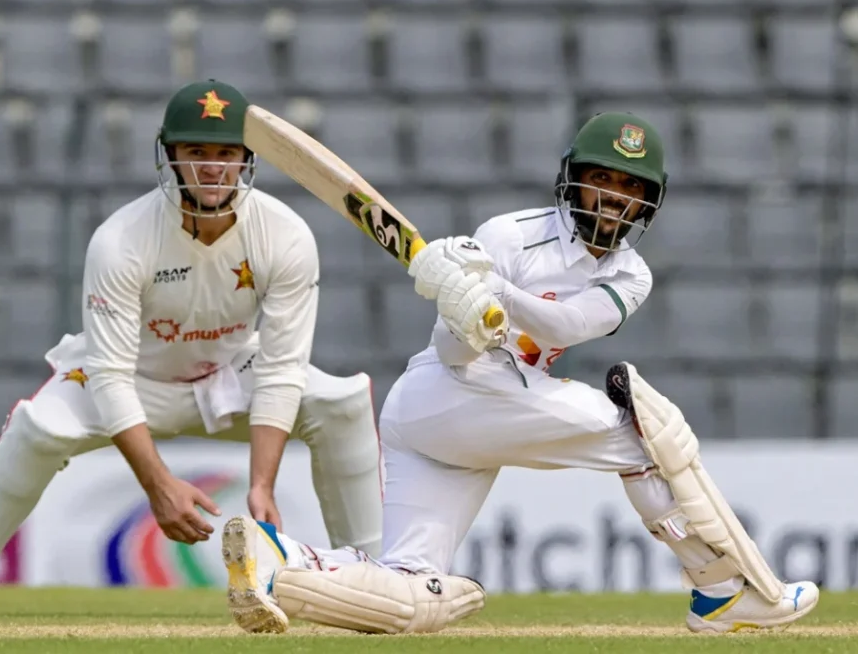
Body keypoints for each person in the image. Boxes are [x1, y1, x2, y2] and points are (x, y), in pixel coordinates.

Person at [218, 112, 820, 635]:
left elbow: (567, 326)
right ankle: (721, 591)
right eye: (602, 179)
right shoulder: (507, 236)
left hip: (476, 416)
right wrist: (462, 308)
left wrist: (497, 293)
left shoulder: (631, 274)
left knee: (412, 591)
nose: (614, 196)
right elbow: (453, 353)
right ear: (573, 180)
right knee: (642, 434)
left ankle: (279, 558)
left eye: (630, 186)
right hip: (448, 394)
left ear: (648, 202)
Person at [0, 80, 382, 615]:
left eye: (226, 154)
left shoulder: (285, 235)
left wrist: (261, 484)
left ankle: (370, 576)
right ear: (170, 156)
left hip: (230, 374)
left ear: (247, 158)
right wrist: (159, 486)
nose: (212, 168)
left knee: (340, 404)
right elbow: (110, 374)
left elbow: (280, 368)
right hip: (133, 378)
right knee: (39, 428)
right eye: (196, 152)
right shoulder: (122, 239)